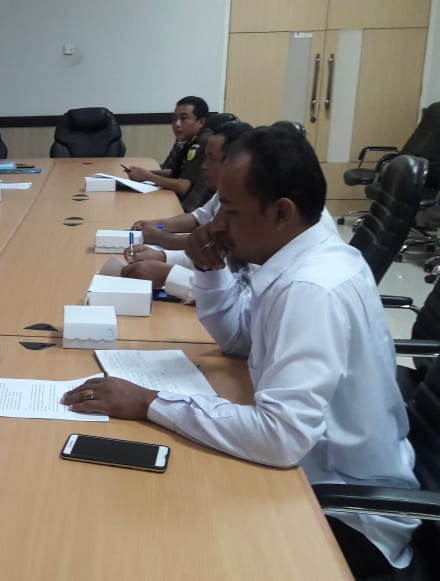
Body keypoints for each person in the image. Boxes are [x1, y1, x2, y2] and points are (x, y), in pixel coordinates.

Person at [64, 126, 420, 577]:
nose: (215, 225)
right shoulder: (295, 259)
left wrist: (148, 401)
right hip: (311, 473)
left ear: (281, 212)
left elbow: (281, 438)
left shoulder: (310, 288)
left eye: (230, 212)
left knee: (151, 535)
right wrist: (210, 270)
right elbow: (239, 342)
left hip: (345, 513)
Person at [121, 120, 253, 302]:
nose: (203, 166)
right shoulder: (225, 193)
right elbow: (203, 231)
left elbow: (244, 296)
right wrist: (162, 255)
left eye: (211, 159)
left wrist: (168, 272)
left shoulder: (256, 213)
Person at [123, 96, 210, 211]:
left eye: (183, 119)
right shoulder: (188, 140)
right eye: (174, 119)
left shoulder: (204, 143)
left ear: (201, 122)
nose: (177, 124)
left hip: (194, 208)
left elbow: (183, 186)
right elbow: (176, 172)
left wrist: (148, 176)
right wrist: (144, 173)